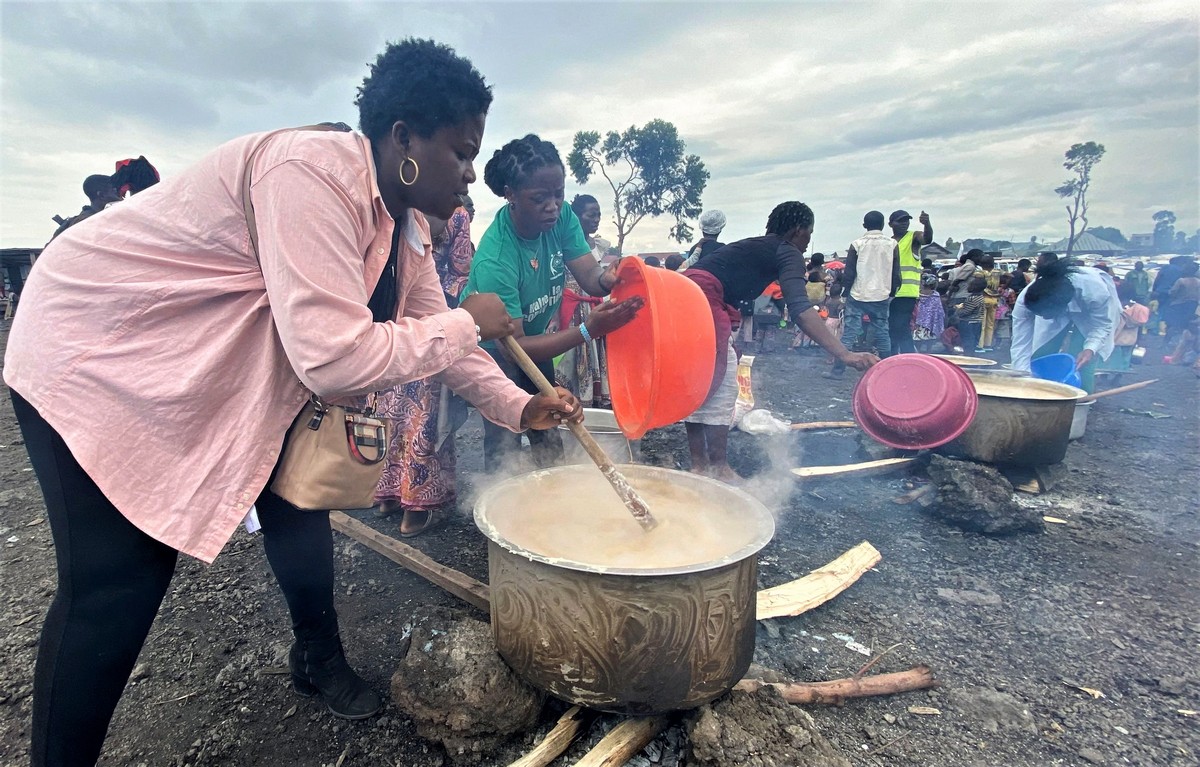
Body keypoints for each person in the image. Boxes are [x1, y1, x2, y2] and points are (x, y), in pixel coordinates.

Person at [4, 39, 586, 766]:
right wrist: (472, 320)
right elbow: (334, 356)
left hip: (212, 364)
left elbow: (438, 341)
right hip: (96, 345)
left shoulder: (404, 226)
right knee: (119, 579)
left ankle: (317, 657)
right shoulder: (309, 176)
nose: (470, 174)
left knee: (298, 504)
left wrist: (518, 405)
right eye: (461, 153)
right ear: (403, 137)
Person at [463, 134, 642, 472]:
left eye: (558, 195)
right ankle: (502, 506)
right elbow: (515, 349)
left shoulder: (561, 219)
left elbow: (591, 277)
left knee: (553, 419)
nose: (553, 206)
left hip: (533, 338)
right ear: (510, 195)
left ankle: (556, 499)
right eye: (539, 198)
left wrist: (610, 277)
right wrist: (588, 331)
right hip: (494, 348)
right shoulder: (496, 258)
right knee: (507, 433)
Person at [684, 201, 877, 479]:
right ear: (799, 230)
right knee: (721, 382)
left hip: (687, 296)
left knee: (700, 379)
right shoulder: (788, 251)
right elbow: (799, 308)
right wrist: (844, 354)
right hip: (704, 297)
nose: (809, 240)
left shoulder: (756, 244)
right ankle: (718, 468)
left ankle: (699, 465)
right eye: (809, 233)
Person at [374, 203, 476, 538]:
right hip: (413, 323)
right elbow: (460, 272)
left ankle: (403, 499)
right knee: (409, 417)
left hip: (414, 325)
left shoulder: (440, 212)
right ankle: (403, 501)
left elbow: (458, 271)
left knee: (409, 418)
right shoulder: (423, 208)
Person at [1010, 257, 1121, 393]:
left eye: (1046, 315)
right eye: (1041, 315)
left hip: (1090, 314)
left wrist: (1090, 349)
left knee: (1081, 359)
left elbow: (1101, 326)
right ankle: (1040, 391)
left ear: (1063, 307)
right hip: (1057, 304)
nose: (1044, 318)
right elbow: (1020, 343)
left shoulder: (1095, 293)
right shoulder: (1025, 301)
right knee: (1041, 352)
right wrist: (1021, 380)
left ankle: (1081, 399)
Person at [825, 210, 899, 379]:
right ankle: (887, 372)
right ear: (883, 225)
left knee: (850, 333)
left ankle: (837, 370)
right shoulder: (892, 244)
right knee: (882, 332)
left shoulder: (857, 244)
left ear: (864, 225)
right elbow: (896, 273)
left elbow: (849, 273)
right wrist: (892, 292)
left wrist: (844, 294)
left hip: (858, 295)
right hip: (882, 295)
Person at [554, 194, 612, 407]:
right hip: (572, 310)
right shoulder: (565, 243)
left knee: (594, 353)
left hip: (592, 306)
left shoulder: (597, 245)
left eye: (599, 214)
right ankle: (570, 401)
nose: (596, 219)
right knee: (570, 355)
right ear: (575, 216)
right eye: (591, 214)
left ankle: (592, 403)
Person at [888, 209, 933, 354]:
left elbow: (927, 239)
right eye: (900, 221)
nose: (904, 224)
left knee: (901, 327)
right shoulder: (888, 242)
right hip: (889, 292)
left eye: (906, 221)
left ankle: (909, 358)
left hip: (906, 292)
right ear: (890, 224)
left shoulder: (913, 237)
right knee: (891, 328)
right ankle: (893, 359)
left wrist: (927, 224)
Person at [49, 174, 123, 239]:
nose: (121, 192)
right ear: (101, 195)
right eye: (114, 189)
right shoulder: (91, 222)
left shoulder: (88, 219)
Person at [1163, 260, 1200, 346]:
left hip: (1178, 305)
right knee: (1188, 324)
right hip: (1192, 306)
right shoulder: (1198, 282)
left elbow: (1172, 292)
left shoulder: (1181, 281)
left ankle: (1165, 342)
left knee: (1172, 324)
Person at [912, 272, 946, 352]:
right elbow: (939, 312)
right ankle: (928, 353)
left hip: (918, 322)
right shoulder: (936, 296)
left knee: (917, 340)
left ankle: (918, 353)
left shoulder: (916, 295)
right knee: (929, 341)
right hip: (931, 323)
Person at [953, 277, 987, 353]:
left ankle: (968, 358)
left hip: (968, 322)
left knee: (967, 343)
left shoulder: (972, 298)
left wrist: (957, 309)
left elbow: (965, 312)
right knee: (973, 342)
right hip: (977, 321)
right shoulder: (980, 297)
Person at [978, 255, 1000, 352]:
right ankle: (988, 345)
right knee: (990, 324)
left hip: (984, 297)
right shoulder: (997, 272)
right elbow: (1010, 276)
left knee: (982, 323)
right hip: (994, 299)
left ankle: (980, 345)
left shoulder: (980, 273)